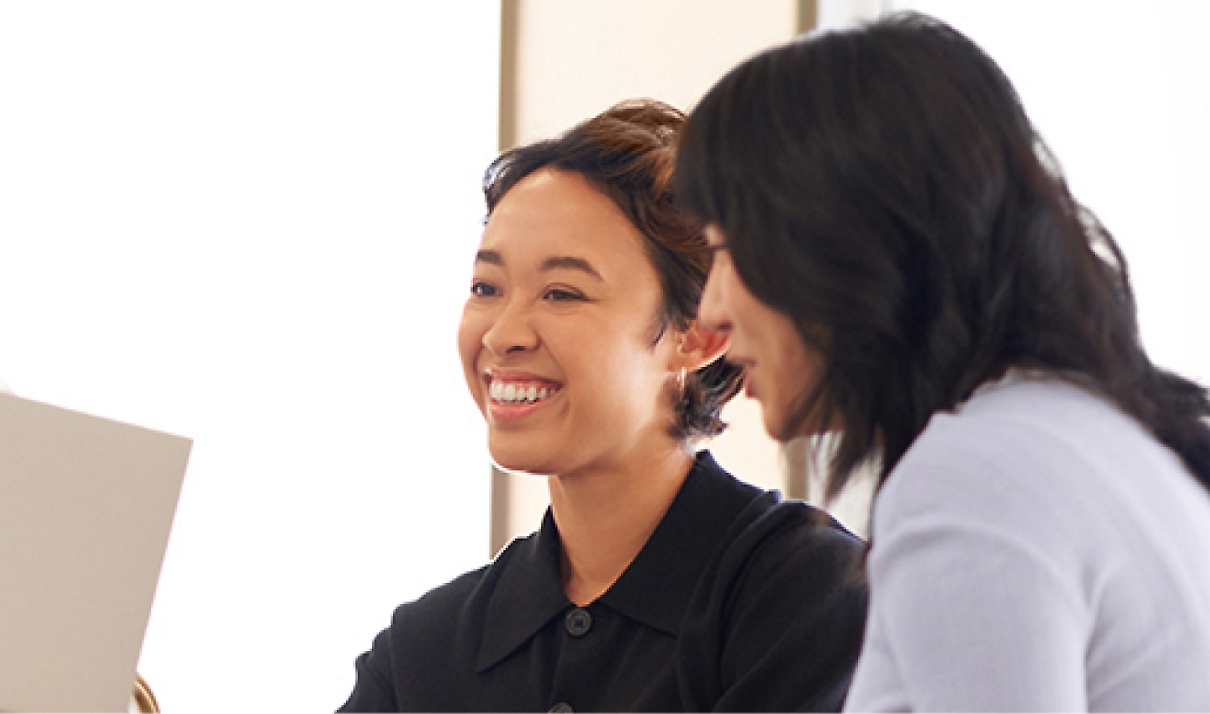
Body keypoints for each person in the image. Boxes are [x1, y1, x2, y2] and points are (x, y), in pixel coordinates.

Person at [676, 12, 1210, 711]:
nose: (711, 311)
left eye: (726, 251)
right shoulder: (1097, 434)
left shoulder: (973, 477)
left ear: (846, 242)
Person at [339, 100, 868, 712]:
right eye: (487, 287)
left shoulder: (809, 595)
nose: (502, 334)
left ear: (697, 335)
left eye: (562, 292)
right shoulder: (423, 650)